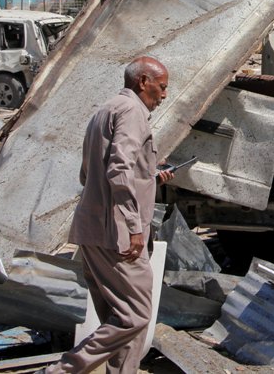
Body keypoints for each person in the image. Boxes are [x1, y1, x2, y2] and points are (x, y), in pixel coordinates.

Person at [47, 56, 174, 374]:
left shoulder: (107, 109)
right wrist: (133, 227)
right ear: (143, 82)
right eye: (161, 87)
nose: (164, 95)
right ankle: (63, 370)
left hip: (93, 229)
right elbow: (118, 170)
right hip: (116, 234)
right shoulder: (133, 111)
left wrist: (150, 175)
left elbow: (91, 173)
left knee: (121, 321)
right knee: (135, 316)